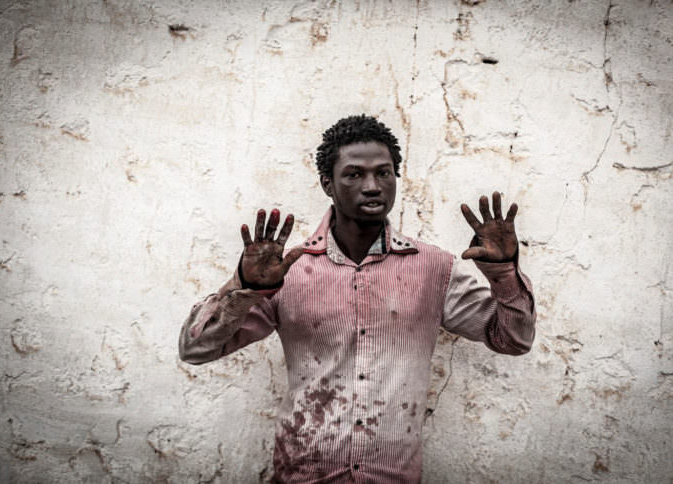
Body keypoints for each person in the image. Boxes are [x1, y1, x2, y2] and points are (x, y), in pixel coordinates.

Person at [178, 115, 536, 483]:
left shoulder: (434, 268)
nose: (372, 186)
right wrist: (245, 288)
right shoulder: (287, 272)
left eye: (384, 173)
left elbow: (514, 340)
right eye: (354, 175)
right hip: (303, 474)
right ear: (327, 184)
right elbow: (196, 349)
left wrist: (504, 273)